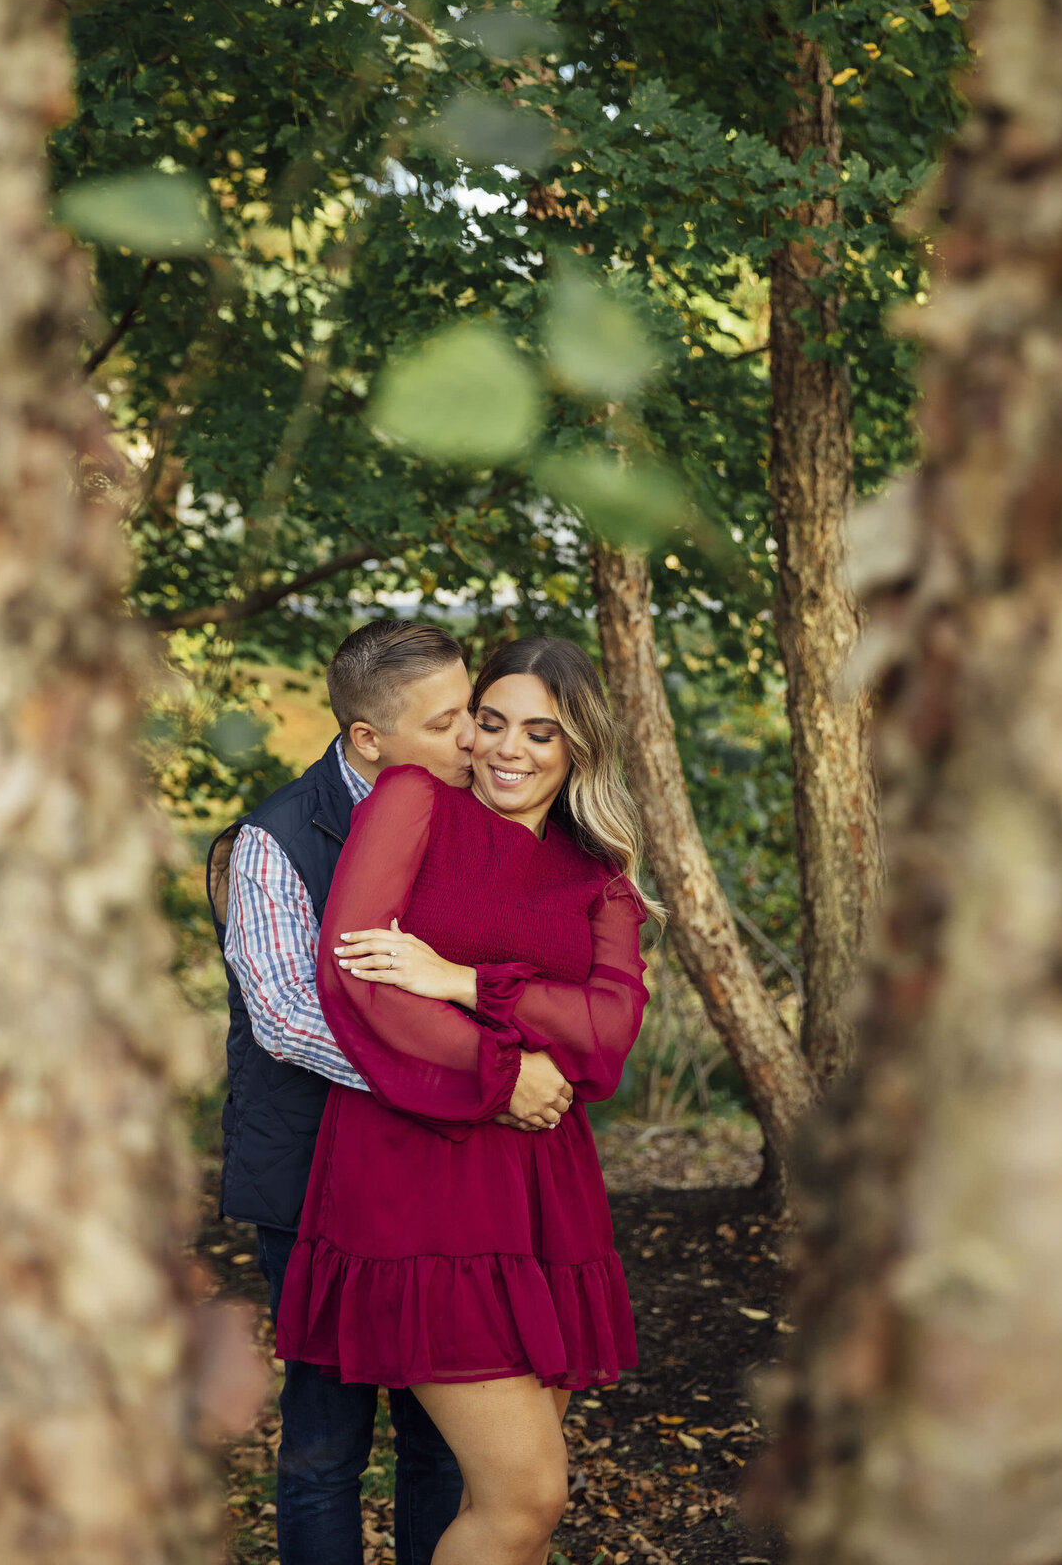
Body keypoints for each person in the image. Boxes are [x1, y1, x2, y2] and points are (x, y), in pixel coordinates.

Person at [275, 634, 654, 1565]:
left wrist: (462, 981)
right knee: (527, 1494)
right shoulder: (414, 803)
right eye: (491, 723)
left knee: (518, 1502)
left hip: (544, 1193)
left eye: (542, 732)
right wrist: (505, 1073)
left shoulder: (595, 873)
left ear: (577, 750)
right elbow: (357, 980)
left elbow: (606, 1037)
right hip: (422, 1172)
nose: (510, 749)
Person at [206, 620, 575, 1565]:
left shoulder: (477, 812)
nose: (476, 742)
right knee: (327, 1442)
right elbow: (291, 1018)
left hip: (437, 1185)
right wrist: (480, 1081)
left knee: (439, 1439)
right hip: (311, 1180)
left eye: (477, 713)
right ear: (369, 740)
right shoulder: (273, 842)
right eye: (452, 722)